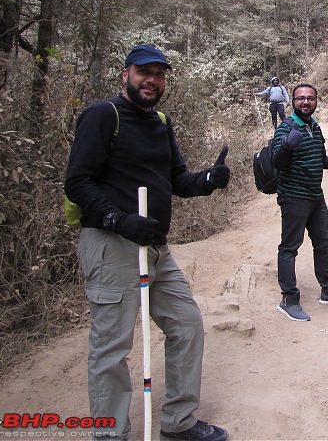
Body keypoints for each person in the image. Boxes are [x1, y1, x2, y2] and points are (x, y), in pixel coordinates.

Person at [65, 44, 230, 441]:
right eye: (144, 72)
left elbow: (176, 179)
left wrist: (209, 179)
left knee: (187, 325)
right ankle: (110, 434)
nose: (151, 80)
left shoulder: (160, 122)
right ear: (126, 74)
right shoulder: (103, 116)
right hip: (111, 243)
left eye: (159, 73)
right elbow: (77, 182)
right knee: (111, 347)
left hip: (155, 245)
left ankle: (179, 423)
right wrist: (118, 220)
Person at [271, 82, 328, 321]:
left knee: (323, 242)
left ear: (316, 102)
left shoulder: (315, 128)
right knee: (290, 247)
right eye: (300, 98)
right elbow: (277, 163)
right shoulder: (285, 129)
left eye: (310, 98)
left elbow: (320, 160)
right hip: (293, 196)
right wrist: (287, 145)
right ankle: (289, 299)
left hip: (315, 196)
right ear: (293, 102)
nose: (305, 102)